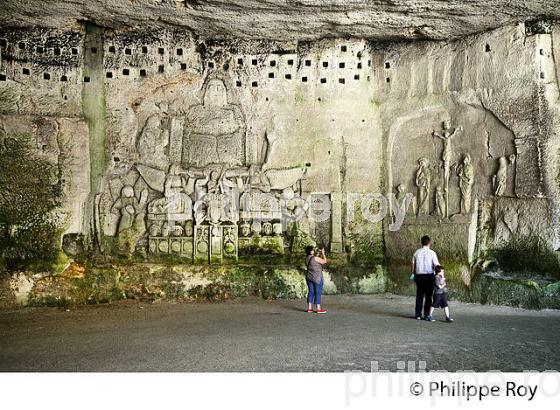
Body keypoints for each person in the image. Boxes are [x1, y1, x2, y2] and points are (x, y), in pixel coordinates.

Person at [411, 235, 440, 320]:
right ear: (429, 243)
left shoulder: (417, 252)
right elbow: (436, 265)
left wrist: (413, 274)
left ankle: (418, 315)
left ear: (421, 242)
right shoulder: (432, 253)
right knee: (428, 296)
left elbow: (413, 264)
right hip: (429, 276)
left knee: (419, 295)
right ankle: (427, 314)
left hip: (419, 275)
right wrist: (440, 275)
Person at [305, 246, 327, 314]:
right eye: (312, 250)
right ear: (311, 251)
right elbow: (324, 261)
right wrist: (323, 253)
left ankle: (309, 308)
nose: (314, 251)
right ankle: (318, 308)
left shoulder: (307, 258)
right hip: (317, 277)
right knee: (318, 292)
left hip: (309, 277)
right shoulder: (315, 258)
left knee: (311, 292)